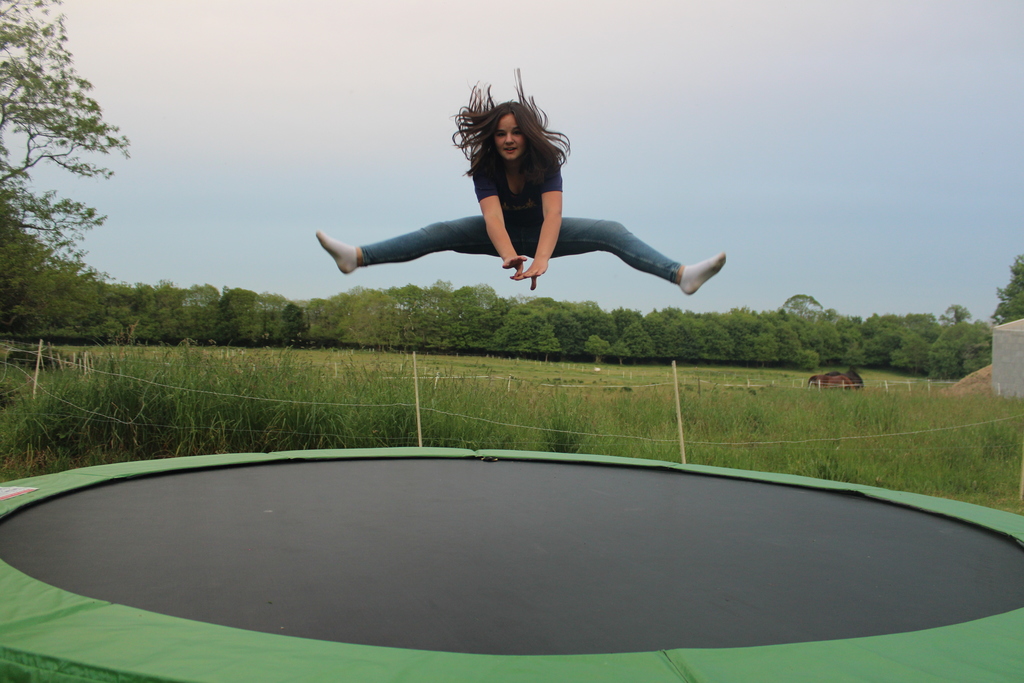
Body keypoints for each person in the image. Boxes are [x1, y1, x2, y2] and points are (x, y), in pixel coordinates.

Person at [316, 72, 725, 294]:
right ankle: (357, 257)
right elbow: (493, 219)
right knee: (438, 232)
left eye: (515, 132)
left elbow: (554, 216)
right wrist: (510, 255)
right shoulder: (486, 167)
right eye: (500, 134)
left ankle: (680, 275)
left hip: (548, 234)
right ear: (492, 139)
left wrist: (542, 258)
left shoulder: (545, 161)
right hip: (501, 237)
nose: (508, 140)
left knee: (612, 232)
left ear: (527, 135)